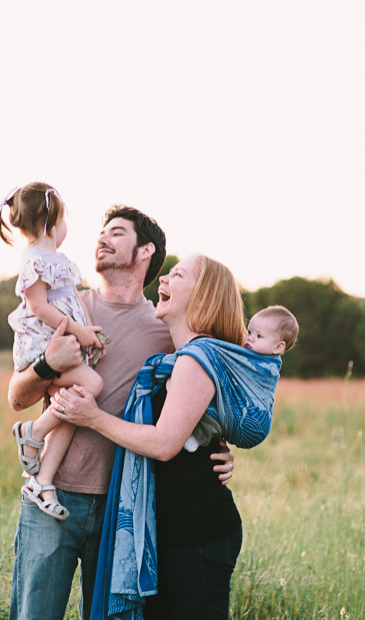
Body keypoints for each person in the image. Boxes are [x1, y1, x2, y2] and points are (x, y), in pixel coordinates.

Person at [6, 206, 236, 620]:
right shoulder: (67, 309)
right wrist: (47, 364)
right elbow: (16, 397)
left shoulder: (168, 330)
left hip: (125, 508)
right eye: (101, 233)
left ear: (145, 250)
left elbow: (198, 400)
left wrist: (216, 449)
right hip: (51, 495)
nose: (102, 239)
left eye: (116, 233)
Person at [51, 254, 273, 619]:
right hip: (173, 527)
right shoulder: (181, 357)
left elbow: (165, 444)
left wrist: (92, 417)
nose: (165, 278)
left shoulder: (196, 358)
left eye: (179, 274)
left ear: (202, 296)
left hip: (196, 530)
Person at [0, 182, 107, 521]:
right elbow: (40, 307)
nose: (66, 228)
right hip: (45, 345)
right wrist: (78, 332)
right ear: (50, 222)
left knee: (73, 410)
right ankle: (32, 432)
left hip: (69, 340)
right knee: (93, 387)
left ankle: (42, 480)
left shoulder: (58, 260)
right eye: (65, 220)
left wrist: (92, 334)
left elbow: (73, 300)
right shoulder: (32, 261)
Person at [185, 304, 299, 452]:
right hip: (257, 425)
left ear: (278, 347)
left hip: (255, 417)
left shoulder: (268, 366)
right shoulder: (254, 356)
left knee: (209, 407)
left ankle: (200, 435)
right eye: (249, 332)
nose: (250, 338)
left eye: (259, 336)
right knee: (213, 403)